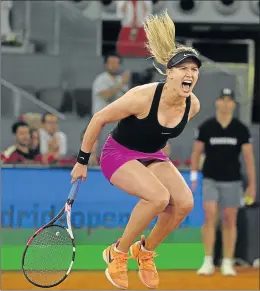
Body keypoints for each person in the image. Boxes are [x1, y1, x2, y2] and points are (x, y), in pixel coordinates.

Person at [71, 11, 201, 290]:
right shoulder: (142, 97)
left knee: (184, 203)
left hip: (153, 155)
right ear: (169, 73)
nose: (190, 74)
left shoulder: (193, 106)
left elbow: (160, 135)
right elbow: (99, 119)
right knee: (157, 197)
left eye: (194, 70)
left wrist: (157, 158)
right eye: (183, 69)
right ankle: (117, 254)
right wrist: (82, 161)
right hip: (118, 154)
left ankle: (144, 251)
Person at [190, 88, 256, 276]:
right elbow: (196, 152)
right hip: (210, 179)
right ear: (217, 102)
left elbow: (249, 158)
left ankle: (227, 262)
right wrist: (194, 177)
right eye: (223, 99)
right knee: (210, 216)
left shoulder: (240, 129)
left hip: (233, 181)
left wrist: (252, 185)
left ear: (234, 104)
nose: (226, 103)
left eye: (229, 100)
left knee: (229, 219)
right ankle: (208, 260)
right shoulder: (206, 127)